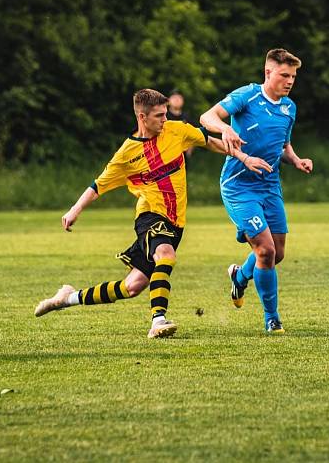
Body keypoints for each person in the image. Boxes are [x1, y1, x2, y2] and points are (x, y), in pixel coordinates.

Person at [34, 88, 270, 338]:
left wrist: (243, 157)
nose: (165, 119)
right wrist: (74, 210)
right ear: (142, 118)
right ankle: (158, 320)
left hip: (176, 221)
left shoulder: (176, 130)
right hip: (150, 215)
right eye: (159, 115)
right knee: (165, 255)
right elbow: (98, 185)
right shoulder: (127, 154)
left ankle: (66, 298)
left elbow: (208, 141)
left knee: (132, 286)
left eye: (166, 114)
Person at [199, 48, 313, 334]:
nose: (289, 81)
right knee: (265, 250)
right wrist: (224, 129)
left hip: (270, 186)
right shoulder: (247, 96)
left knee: (278, 254)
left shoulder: (290, 108)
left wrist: (296, 160)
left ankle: (240, 275)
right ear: (268, 73)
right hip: (239, 186)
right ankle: (271, 319)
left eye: (293, 77)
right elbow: (207, 117)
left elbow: (283, 146)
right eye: (284, 75)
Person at [168, 90, 194, 161]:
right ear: (168, 101)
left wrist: (190, 150)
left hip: (183, 153)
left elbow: (192, 134)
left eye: (179, 97)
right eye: (174, 97)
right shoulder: (164, 116)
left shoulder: (187, 117)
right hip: (167, 152)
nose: (177, 100)